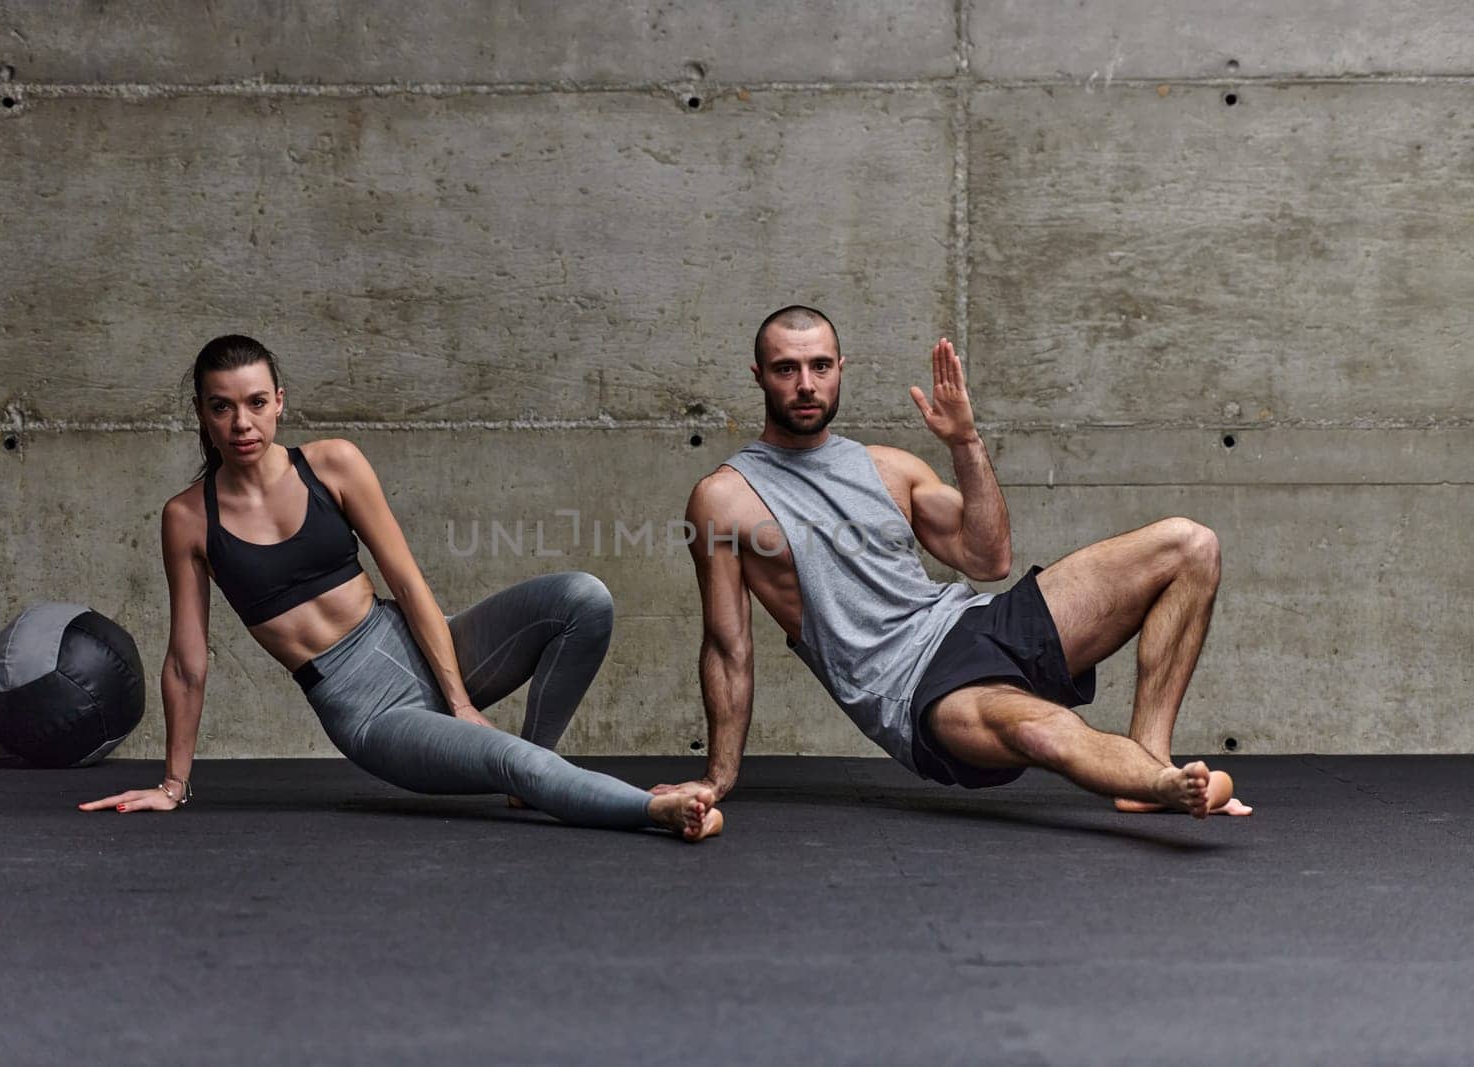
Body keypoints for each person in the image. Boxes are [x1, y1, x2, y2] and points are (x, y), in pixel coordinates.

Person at [81, 335, 722, 841]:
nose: (241, 423)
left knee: (583, 599)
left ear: (280, 400)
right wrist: (173, 783)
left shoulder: (332, 464)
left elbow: (408, 583)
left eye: (254, 403)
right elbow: (188, 662)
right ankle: (655, 810)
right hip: (369, 711)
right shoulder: (189, 518)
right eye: (221, 406)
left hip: (415, 643)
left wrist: (459, 700)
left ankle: (541, 771)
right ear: (202, 412)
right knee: (508, 759)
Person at [660, 305, 1251, 818]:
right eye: (787, 369)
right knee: (1042, 730)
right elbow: (727, 645)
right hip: (915, 687)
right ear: (760, 377)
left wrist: (965, 443)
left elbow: (988, 558)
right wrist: (718, 776)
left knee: (1190, 544)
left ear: (841, 370)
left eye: (820, 366)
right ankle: (1161, 784)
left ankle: (1151, 761)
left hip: (976, 621)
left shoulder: (887, 467)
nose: (806, 384)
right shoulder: (725, 498)